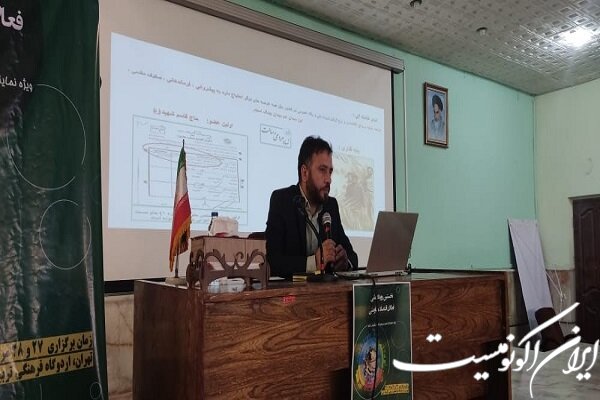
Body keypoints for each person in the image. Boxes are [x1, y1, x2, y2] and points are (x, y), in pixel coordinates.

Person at [265, 136, 358, 279]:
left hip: (326, 290)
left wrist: (345, 262)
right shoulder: (282, 201)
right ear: (305, 173)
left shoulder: (331, 206)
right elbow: (274, 262)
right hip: (291, 291)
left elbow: (352, 257)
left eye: (330, 171)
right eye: (322, 170)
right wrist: (314, 262)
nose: (328, 179)